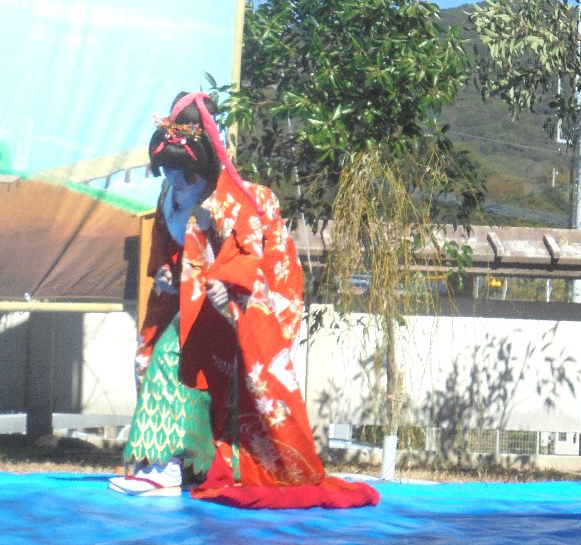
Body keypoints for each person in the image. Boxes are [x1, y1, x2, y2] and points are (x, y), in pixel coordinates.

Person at [109, 92, 379, 509]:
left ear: (201, 165)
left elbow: (256, 259)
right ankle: (190, 464)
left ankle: (164, 469)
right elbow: (169, 254)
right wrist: (166, 275)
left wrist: (229, 286)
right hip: (189, 303)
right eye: (168, 170)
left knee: (170, 361)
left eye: (183, 172)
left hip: (232, 311)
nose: (175, 181)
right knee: (164, 360)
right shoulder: (168, 196)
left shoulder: (243, 199)